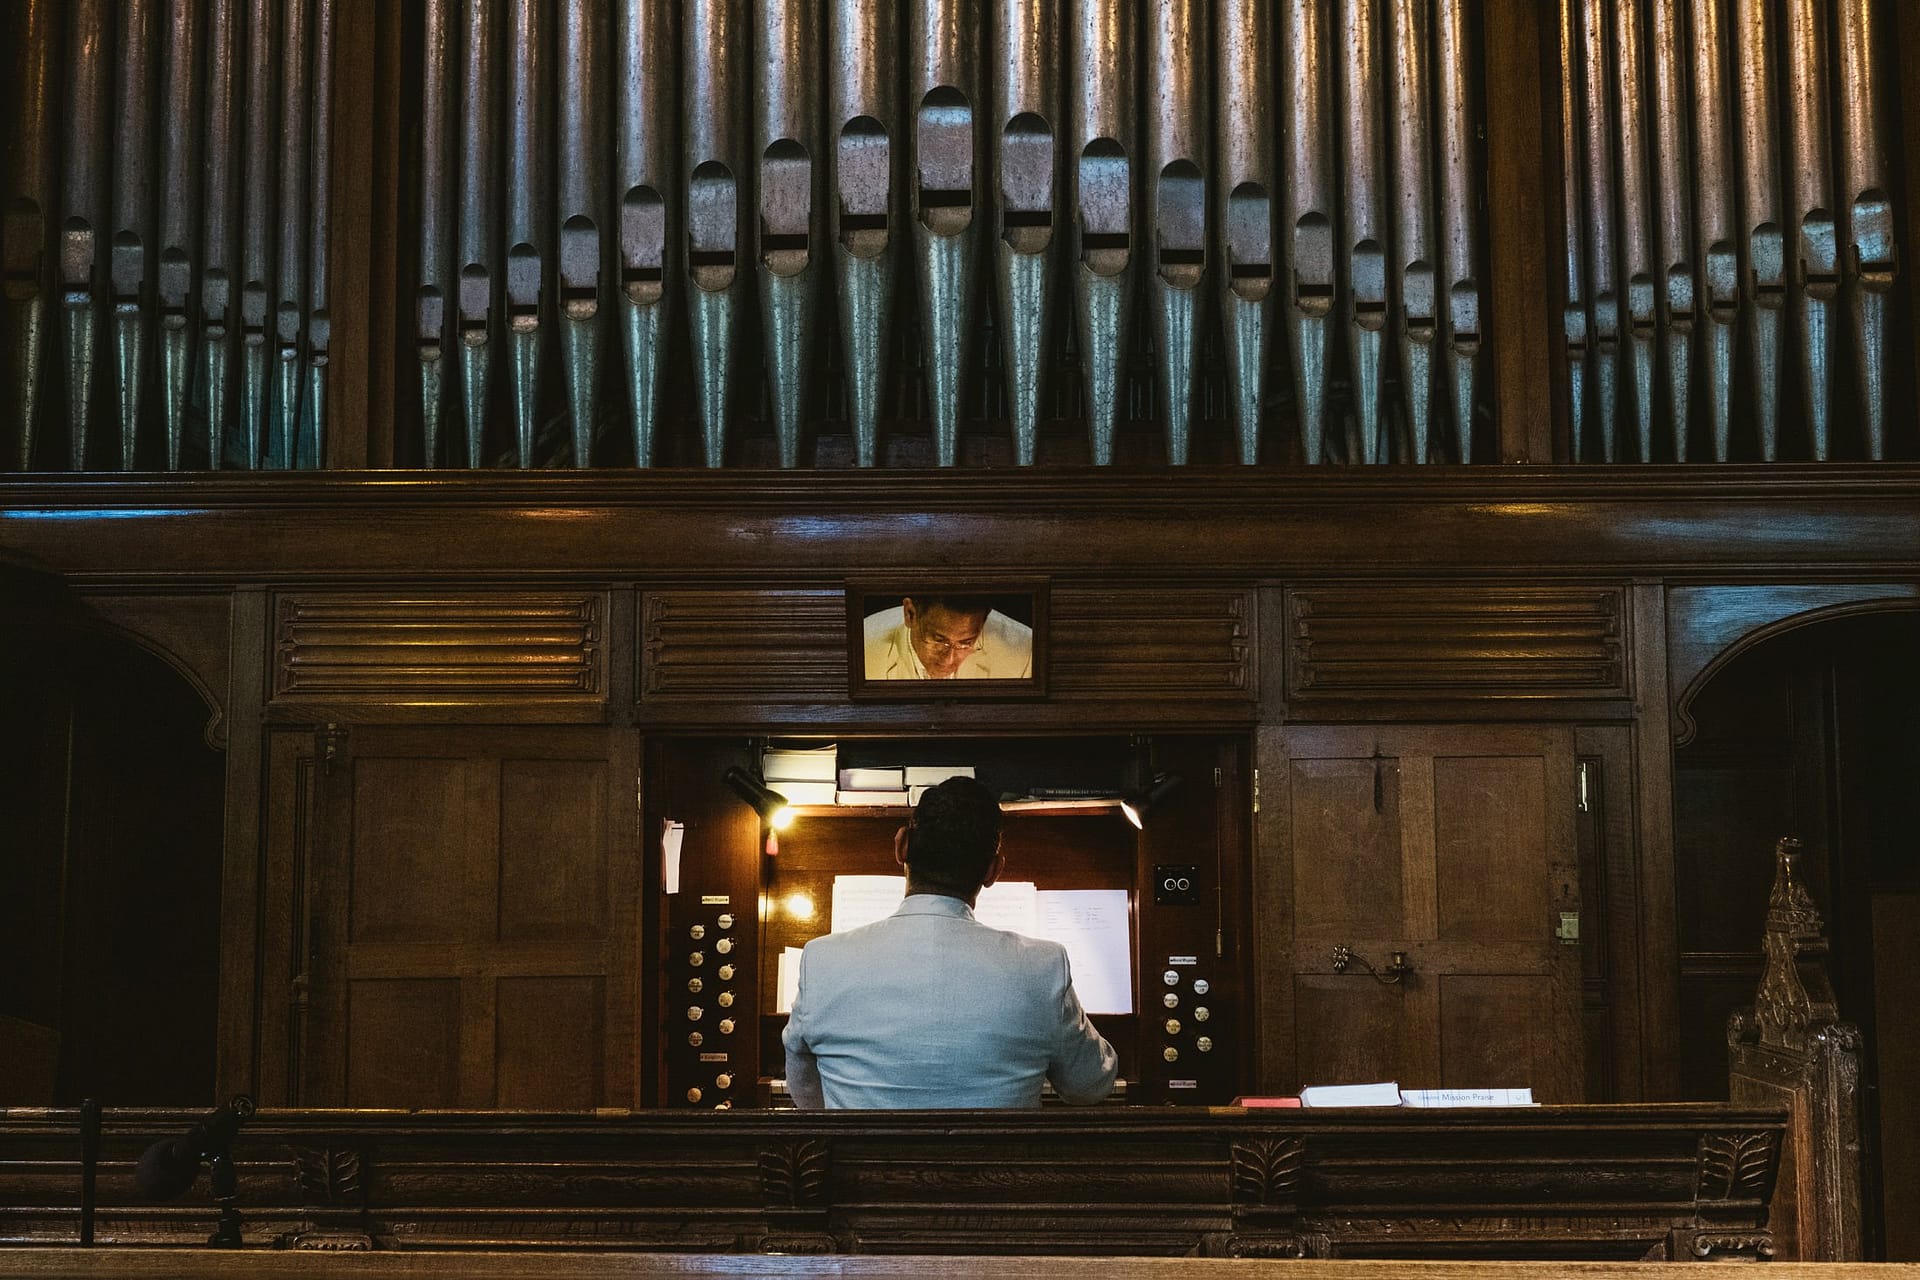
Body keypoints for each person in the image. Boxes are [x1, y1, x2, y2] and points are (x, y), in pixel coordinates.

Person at [782, 777, 1118, 1109]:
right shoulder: (1044, 966)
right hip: (996, 1166)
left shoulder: (821, 959)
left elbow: (808, 1098)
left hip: (865, 1164)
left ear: (901, 846)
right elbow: (1089, 1087)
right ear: (993, 871)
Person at [862, 594, 1033, 680]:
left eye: (966, 642)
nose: (949, 660)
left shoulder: (1024, 655)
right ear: (910, 614)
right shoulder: (862, 649)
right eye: (938, 640)